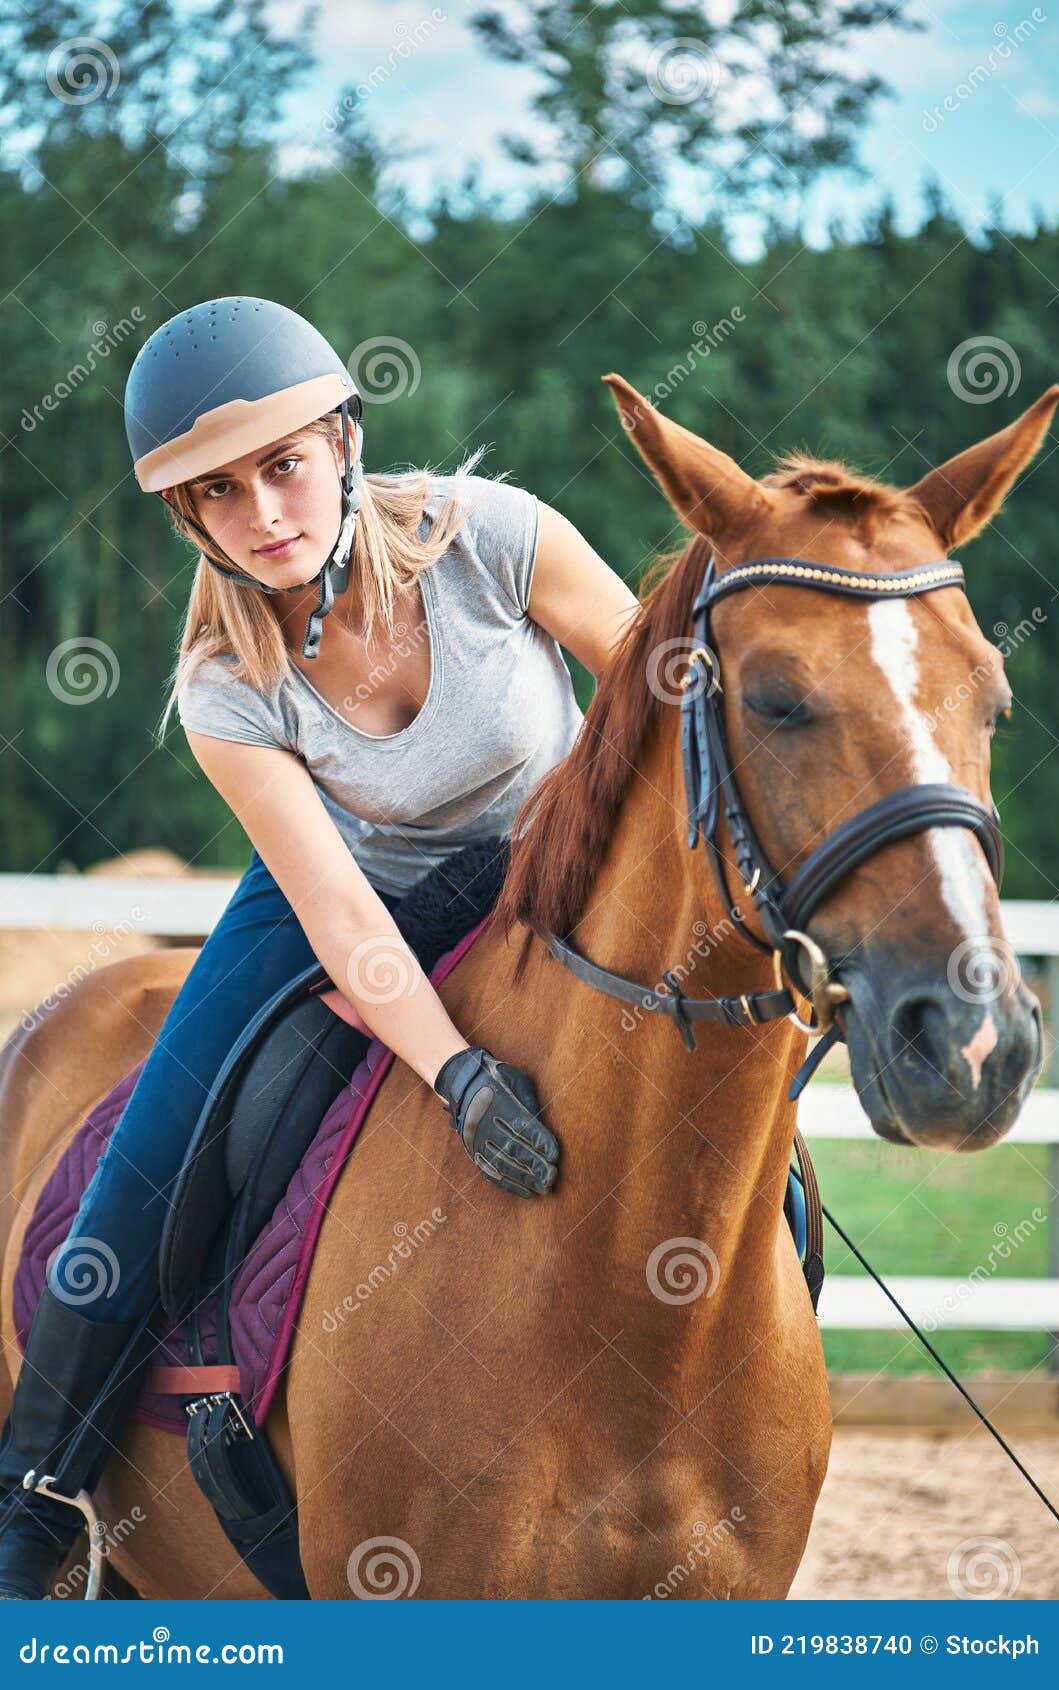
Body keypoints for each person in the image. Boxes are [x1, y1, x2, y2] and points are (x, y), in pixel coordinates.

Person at [0, 297, 639, 1599]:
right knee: (150, 1152)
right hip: (341, 898)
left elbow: (661, 721)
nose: (264, 513)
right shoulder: (225, 687)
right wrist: (456, 1072)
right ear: (188, 518)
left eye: (283, 464)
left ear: (346, 439)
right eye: (218, 494)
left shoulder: (501, 540)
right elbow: (344, 919)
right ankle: (36, 1491)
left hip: (540, 879)